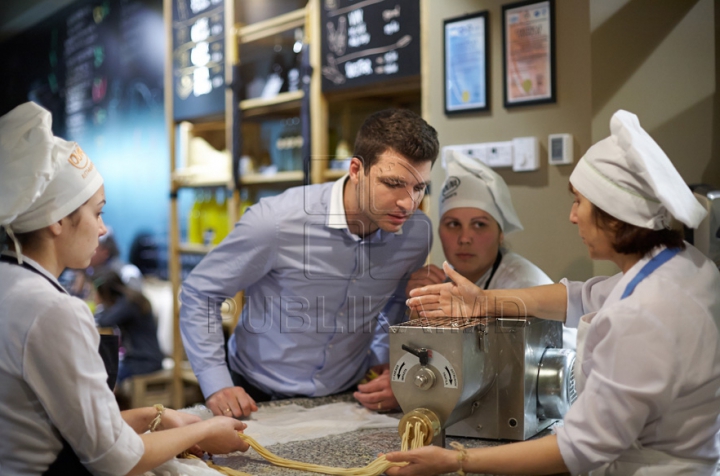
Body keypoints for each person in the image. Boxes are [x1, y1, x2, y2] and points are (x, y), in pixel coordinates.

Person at [390, 110, 720, 475]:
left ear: (613, 213)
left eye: (579, 202)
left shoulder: (643, 314)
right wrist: (482, 303)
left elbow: (578, 448)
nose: (572, 216)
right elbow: (579, 297)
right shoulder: (683, 265)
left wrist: (457, 460)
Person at [0, 102, 249, 475]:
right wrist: (207, 429)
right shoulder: (53, 311)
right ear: (56, 219)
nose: (103, 229)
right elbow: (115, 460)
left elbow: (70, 425)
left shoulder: (11, 282)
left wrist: (158, 417)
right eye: (98, 213)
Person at [180, 108, 439, 417]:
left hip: (348, 393)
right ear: (356, 170)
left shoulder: (416, 235)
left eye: (419, 187)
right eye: (393, 183)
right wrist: (216, 383)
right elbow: (200, 293)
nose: (408, 203)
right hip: (253, 393)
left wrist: (383, 358)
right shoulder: (276, 222)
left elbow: (394, 303)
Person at [405, 150, 576, 348]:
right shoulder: (444, 281)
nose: (464, 238)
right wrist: (417, 308)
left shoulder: (522, 284)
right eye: (453, 224)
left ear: (500, 233)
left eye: (479, 225)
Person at [94, 269, 165, 383]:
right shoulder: (130, 299)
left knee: (104, 374)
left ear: (103, 292)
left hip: (144, 361)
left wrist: (99, 305)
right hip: (146, 358)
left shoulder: (128, 304)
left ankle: (110, 399)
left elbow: (104, 321)